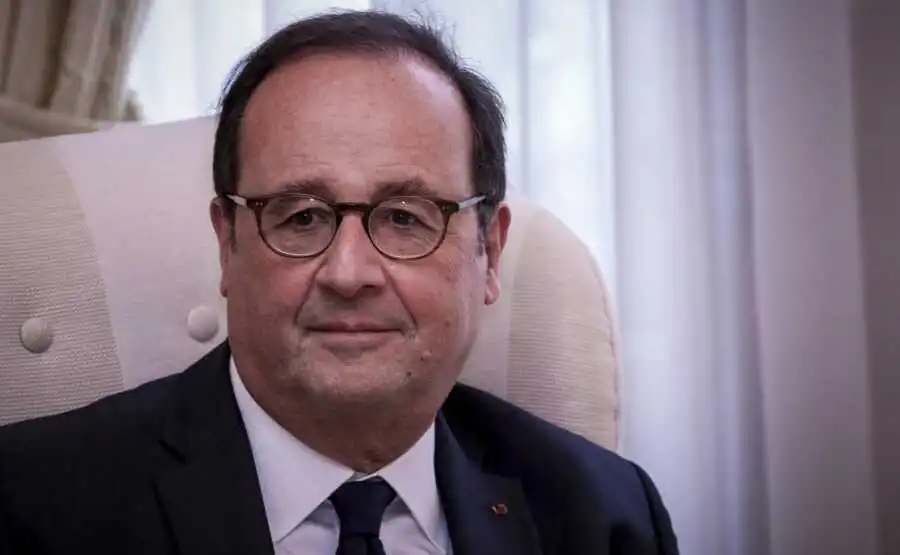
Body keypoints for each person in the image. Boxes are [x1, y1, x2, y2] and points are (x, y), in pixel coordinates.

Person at [0, 9, 678, 555]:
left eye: (406, 217)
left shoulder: (605, 515)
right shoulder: (31, 506)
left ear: (490, 253)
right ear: (227, 245)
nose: (348, 273)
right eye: (300, 217)